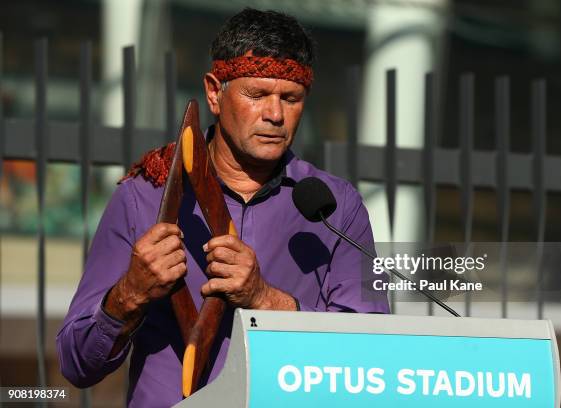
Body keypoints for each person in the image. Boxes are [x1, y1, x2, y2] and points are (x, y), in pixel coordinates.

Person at [57, 7, 389, 407]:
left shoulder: (337, 208)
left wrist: (265, 299)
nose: (275, 115)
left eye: (290, 98)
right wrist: (129, 293)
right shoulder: (143, 195)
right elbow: (76, 364)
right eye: (257, 95)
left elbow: (371, 357)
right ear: (215, 92)